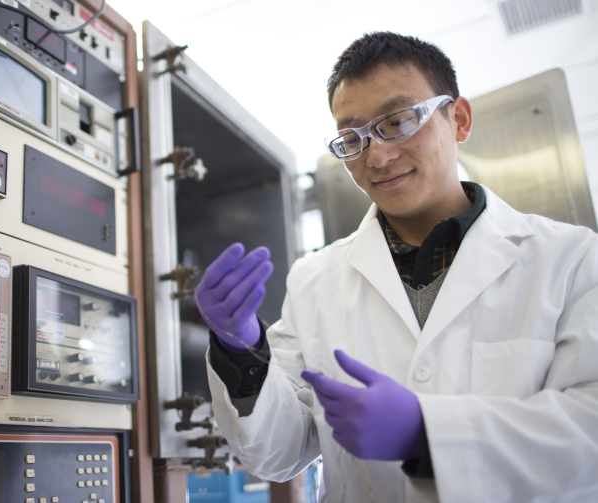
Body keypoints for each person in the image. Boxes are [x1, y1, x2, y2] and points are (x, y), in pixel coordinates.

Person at [194, 32, 598, 502]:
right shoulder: (315, 280)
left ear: (459, 119)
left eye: (399, 121)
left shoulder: (571, 259)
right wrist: (240, 353)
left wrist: (429, 434)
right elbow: (278, 454)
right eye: (352, 138)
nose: (378, 156)